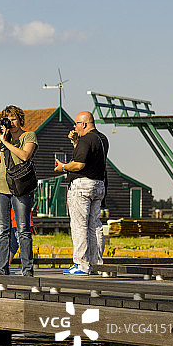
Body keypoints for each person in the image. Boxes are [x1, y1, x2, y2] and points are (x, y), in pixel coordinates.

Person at [54, 111, 109, 275]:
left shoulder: (86, 139)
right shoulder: (102, 139)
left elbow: (79, 164)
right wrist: (75, 142)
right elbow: (88, 157)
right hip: (98, 184)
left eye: (77, 123)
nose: (74, 127)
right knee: (94, 225)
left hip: (82, 185)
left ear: (84, 124)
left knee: (79, 226)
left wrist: (63, 167)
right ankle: (95, 264)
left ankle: (81, 264)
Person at [0, 105, 38, 276]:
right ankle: (2, 268)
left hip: (21, 187)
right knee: (3, 229)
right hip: (0, 186)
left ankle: (27, 269)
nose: (11, 122)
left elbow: (25, 155)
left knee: (23, 229)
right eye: (8, 119)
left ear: (20, 119)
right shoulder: (2, 136)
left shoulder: (28, 135)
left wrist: (6, 142)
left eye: (14, 119)